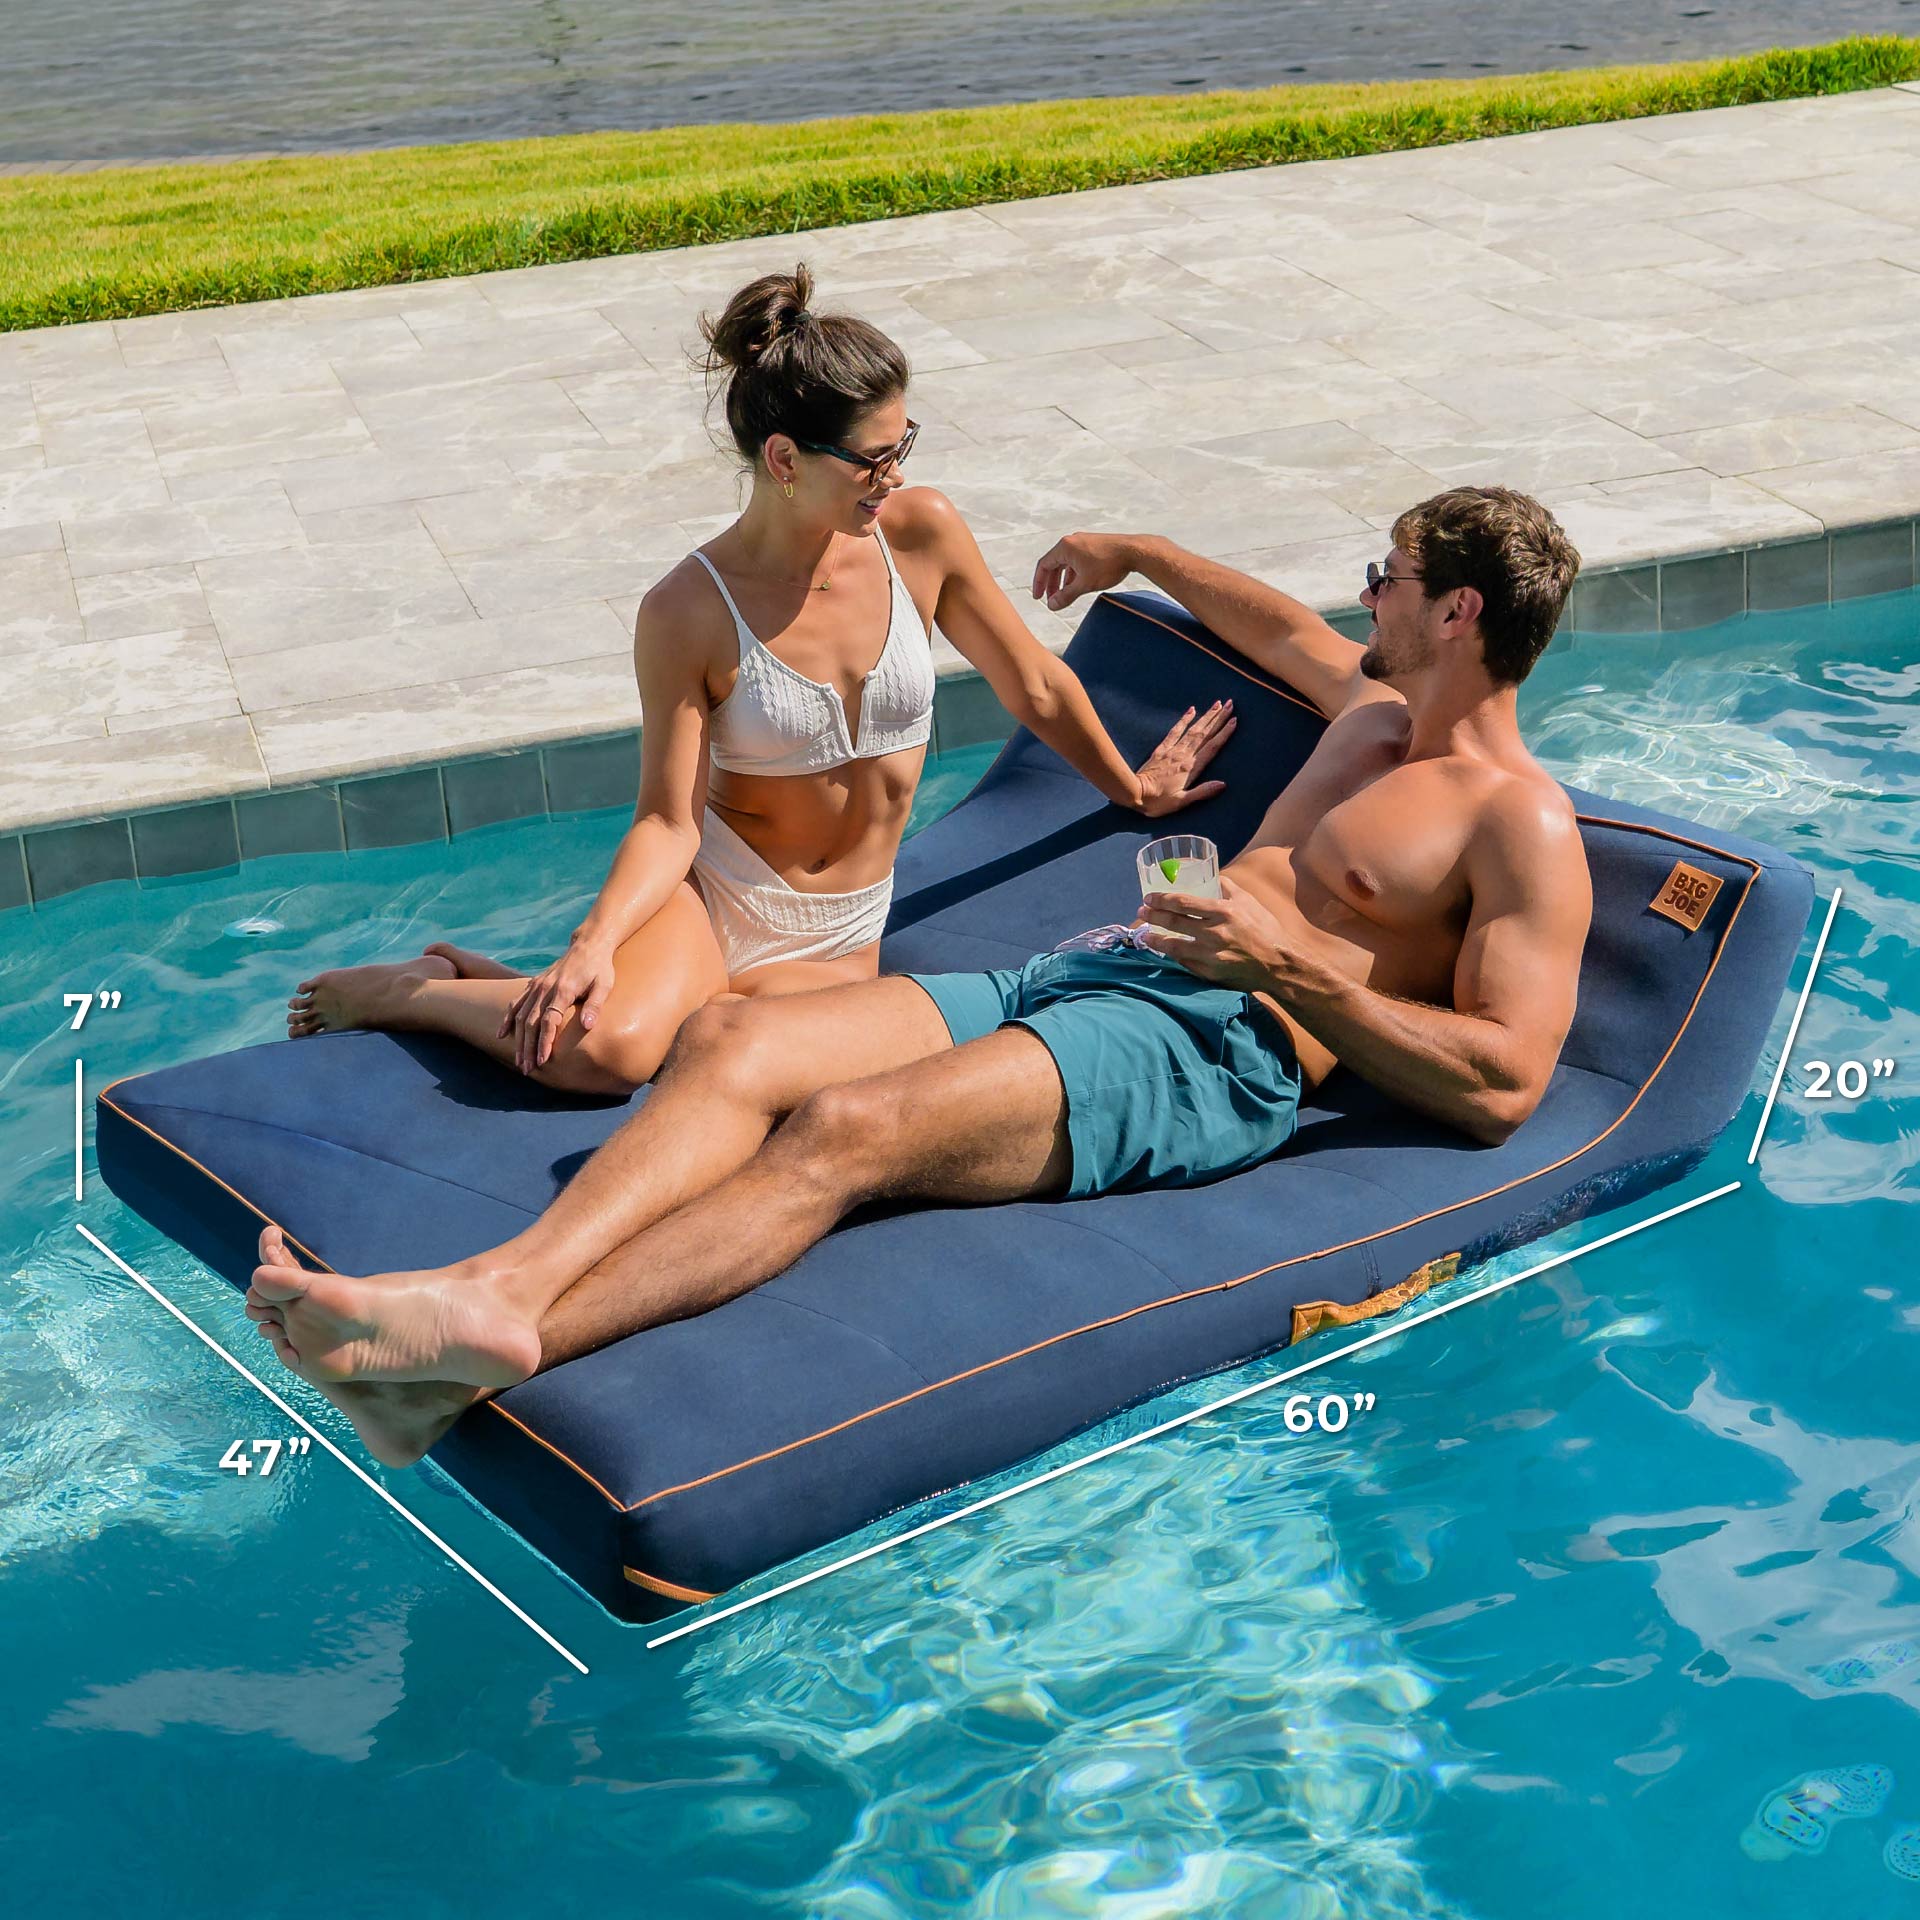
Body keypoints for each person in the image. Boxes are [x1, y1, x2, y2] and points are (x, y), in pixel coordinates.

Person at [247, 485, 1592, 1470]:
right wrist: (1140, 549)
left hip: (1215, 1050)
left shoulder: (1516, 821)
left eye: (1390, 574)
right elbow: (1272, 622)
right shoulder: (1372, 707)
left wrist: (1299, 971)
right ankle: (494, 1292)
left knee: (843, 1133)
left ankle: (479, 1353)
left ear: (1459, 611)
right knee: (729, 1041)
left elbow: (1507, 1084)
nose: (1364, 593)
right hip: (1096, 971)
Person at [283, 265, 1233, 1093]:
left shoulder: (920, 534)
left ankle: (475, 972)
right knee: (601, 1056)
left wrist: (1132, 785)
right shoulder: (689, 610)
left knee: (731, 1061)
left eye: (905, 446)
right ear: (783, 459)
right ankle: (415, 991)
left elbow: (1032, 681)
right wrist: (594, 940)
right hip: (723, 897)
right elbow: (666, 820)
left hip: (845, 930)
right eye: (872, 457)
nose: (894, 475)